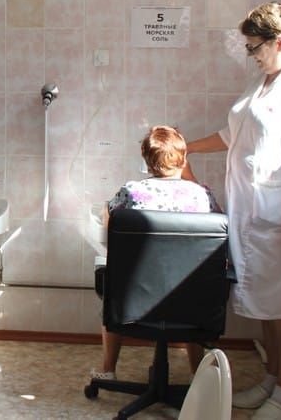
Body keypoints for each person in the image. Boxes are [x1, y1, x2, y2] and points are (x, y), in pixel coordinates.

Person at [184, 2, 281, 420]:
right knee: (268, 303)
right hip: (255, 216)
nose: (251, 55)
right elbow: (233, 134)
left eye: (255, 47)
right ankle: (272, 379)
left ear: (280, 42)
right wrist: (187, 147)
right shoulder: (267, 81)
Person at [90, 125, 220, 381]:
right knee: (195, 289)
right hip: (190, 298)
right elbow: (219, 228)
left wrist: (107, 211)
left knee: (114, 284)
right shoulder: (202, 195)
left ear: (147, 160)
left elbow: (109, 229)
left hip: (137, 298)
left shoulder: (131, 192)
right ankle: (197, 374)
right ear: (182, 159)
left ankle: (108, 370)